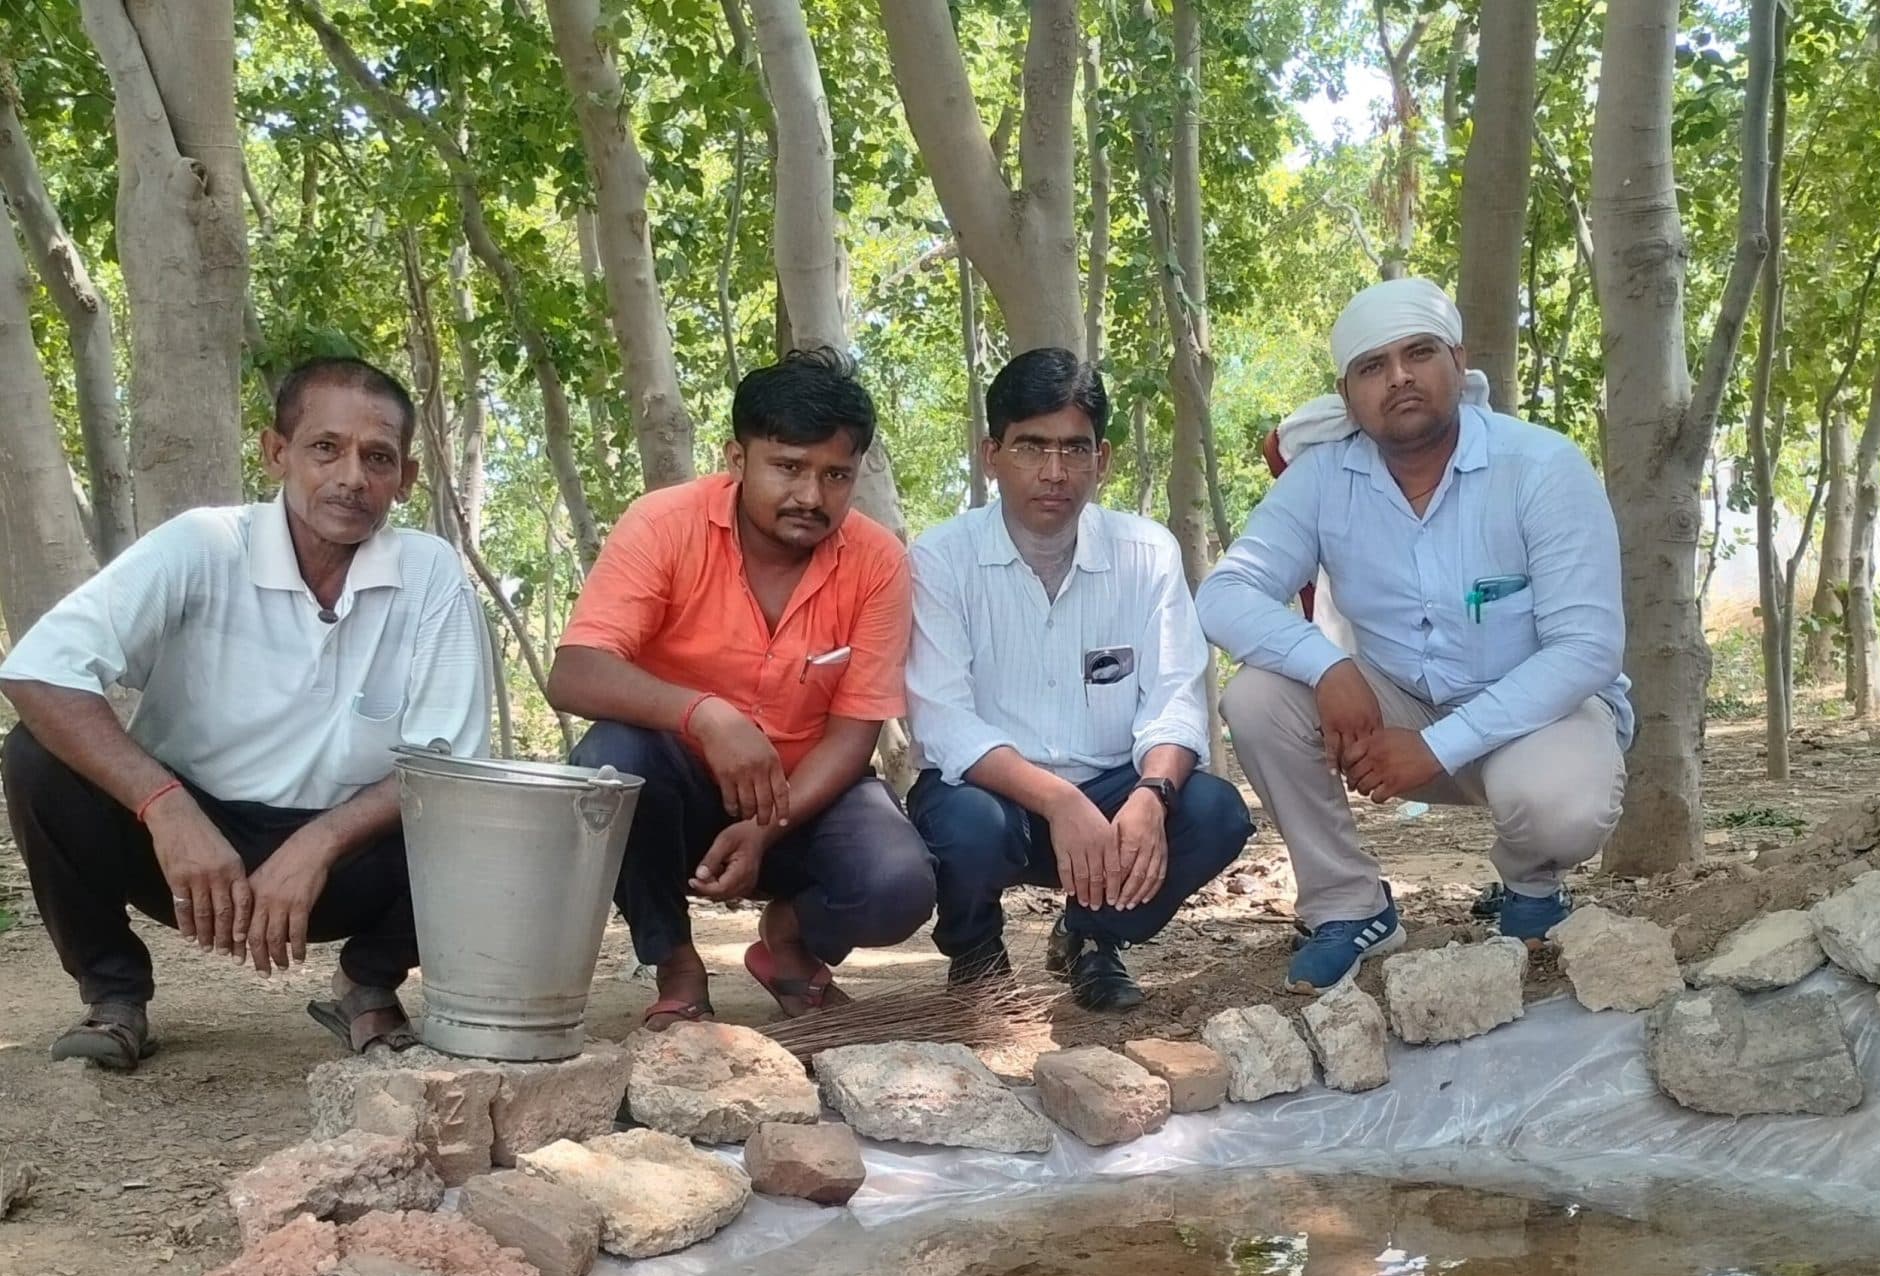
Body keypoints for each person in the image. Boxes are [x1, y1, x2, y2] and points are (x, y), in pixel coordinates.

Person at [0, 356, 493, 1068]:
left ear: (405, 479)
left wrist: (317, 846)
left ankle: (366, 983)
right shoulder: (203, 545)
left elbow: (445, 762)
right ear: (276, 453)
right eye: (326, 448)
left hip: (348, 861)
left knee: (486, 809)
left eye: (377, 457)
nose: (351, 477)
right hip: (190, 854)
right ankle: (113, 997)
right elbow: (38, 670)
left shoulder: (429, 572)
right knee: (37, 756)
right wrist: (166, 809)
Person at [1198, 276, 1631, 993]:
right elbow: (1225, 591)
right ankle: (1349, 906)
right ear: (1348, 395)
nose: (1398, 377)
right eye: (1372, 366)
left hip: (1536, 718)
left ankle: (1531, 890)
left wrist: (1434, 746)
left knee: (1562, 807)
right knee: (1258, 698)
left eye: (1418, 353)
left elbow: (1585, 650)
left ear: (1458, 364)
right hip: (1393, 703)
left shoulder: (1542, 468)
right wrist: (1327, 668)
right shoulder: (1322, 479)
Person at [549, 348, 934, 1029]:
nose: (811, 497)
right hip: (675, 791)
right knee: (609, 765)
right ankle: (675, 964)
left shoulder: (878, 562)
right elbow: (575, 671)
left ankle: (787, 945)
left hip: (803, 796)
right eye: (788, 467)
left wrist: (765, 826)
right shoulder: (664, 524)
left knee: (898, 884)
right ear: (736, 459)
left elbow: (854, 734)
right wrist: (705, 716)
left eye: (836, 475)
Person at [904, 348, 1250, 1011]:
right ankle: (976, 947)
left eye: (1074, 449)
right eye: (1031, 447)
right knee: (964, 824)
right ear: (991, 454)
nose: (1054, 473)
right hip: (996, 798)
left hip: (1114, 792)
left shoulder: (1147, 555)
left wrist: (1150, 794)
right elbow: (942, 718)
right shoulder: (942, 559)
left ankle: (1092, 937)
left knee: (1213, 813)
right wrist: (1059, 802)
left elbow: (1175, 697)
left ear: (1104, 459)